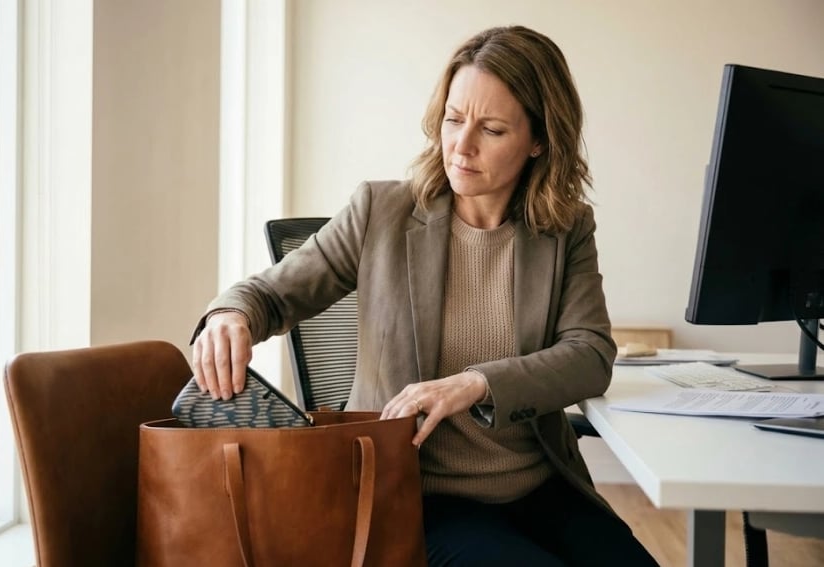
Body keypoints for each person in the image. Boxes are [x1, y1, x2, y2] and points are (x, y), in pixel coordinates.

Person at [190, 25, 658, 566]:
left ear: (539, 141)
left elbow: (590, 353)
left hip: (538, 486)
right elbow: (270, 294)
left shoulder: (565, 229)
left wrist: (475, 383)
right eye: (454, 119)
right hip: (417, 496)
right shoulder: (381, 212)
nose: (461, 145)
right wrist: (230, 314)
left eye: (492, 129)